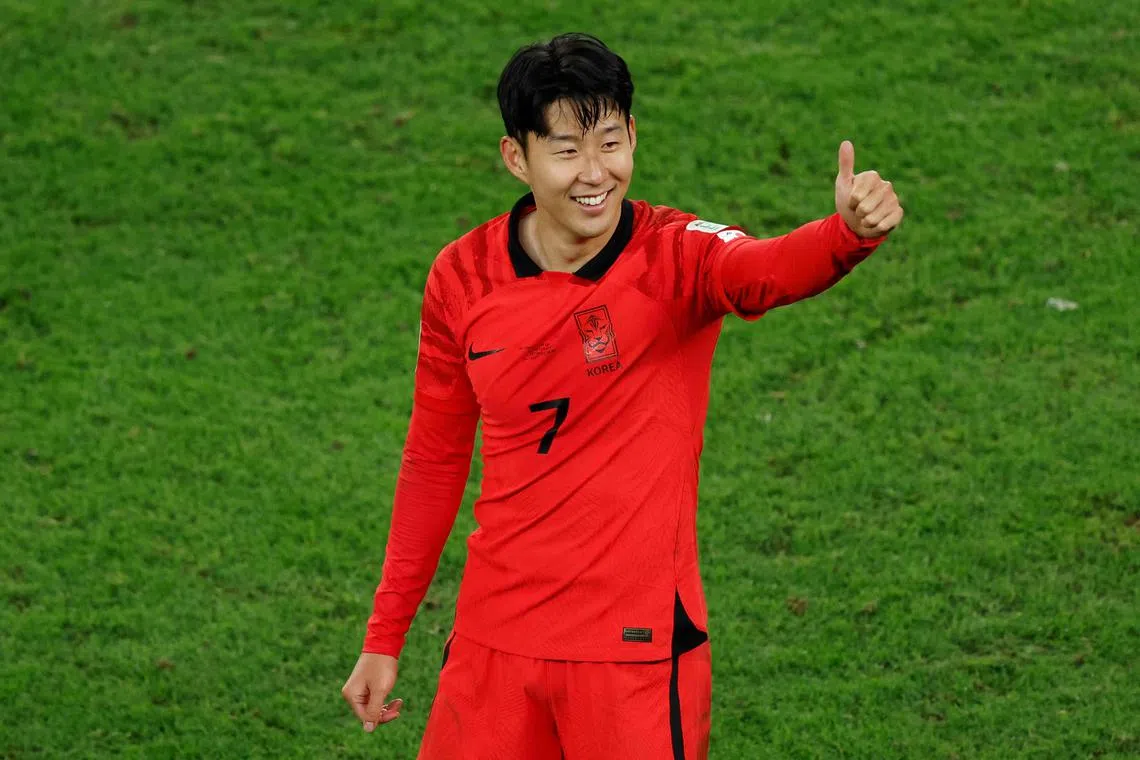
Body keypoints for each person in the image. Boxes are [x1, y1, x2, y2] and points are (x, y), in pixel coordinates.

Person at [341, 32, 902, 760]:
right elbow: (434, 461)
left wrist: (845, 235)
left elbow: (764, 270)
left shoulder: (677, 255)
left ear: (633, 136)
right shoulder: (462, 277)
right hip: (494, 646)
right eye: (567, 149)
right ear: (518, 158)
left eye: (611, 142)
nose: (595, 172)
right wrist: (385, 637)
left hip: (632, 656)